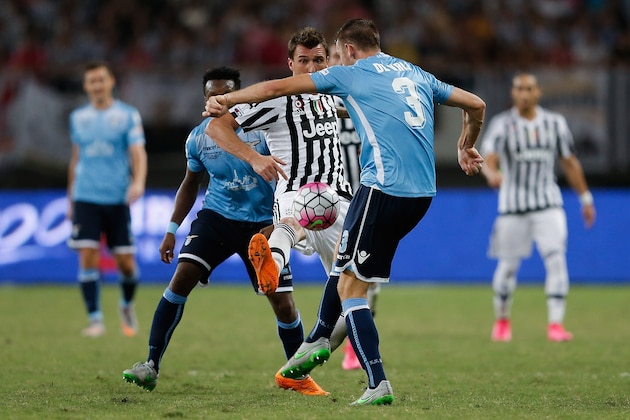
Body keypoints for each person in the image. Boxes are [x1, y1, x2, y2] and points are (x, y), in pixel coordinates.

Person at [204, 19, 486, 406]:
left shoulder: (349, 76)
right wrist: (465, 144)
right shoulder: (414, 71)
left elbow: (273, 86)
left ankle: (377, 383)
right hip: (422, 193)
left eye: (330, 57)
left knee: (351, 288)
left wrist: (229, 99)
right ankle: (318, 334)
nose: (325, 65)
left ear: (348, 52)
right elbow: (476, 104)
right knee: (345, 268)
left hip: (380, 189)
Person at [122, 67, 323, 394]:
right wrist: (172, 229)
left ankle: (297, 375)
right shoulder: (199, 137)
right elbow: (190, 185)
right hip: (217, 217)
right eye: (212, 96)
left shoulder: (265, 127)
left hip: (262, 223)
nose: (219, 101)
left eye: (225, 95)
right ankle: (150, 364)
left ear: (239, 95)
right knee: (181, 277)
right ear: (205, 100)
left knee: (282, 303)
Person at [205, 27, 355, 395]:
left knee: (356, 302)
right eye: (303, 61)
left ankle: (296, 368)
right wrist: (254, 157)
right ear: (290, 63)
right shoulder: (277, 100)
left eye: (318, 59)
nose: (311, 67)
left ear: (327, 60)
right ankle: (270, 257)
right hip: (297, 191)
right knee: (294, 222)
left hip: (338, 199)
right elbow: (216, 127)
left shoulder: (333, 95)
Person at [480, 72, 596, 343]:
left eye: (529, 89)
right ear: (513, 93)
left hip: (548, 205)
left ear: (537, 93)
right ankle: (502, 320)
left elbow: (569, 162)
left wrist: (586, 198)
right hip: (512, 207)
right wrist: (492, 174)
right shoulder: (502, 124)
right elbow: (489, 158)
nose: (524, 94)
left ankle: (556, 324)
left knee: (556, 259)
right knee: (508, 266)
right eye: (519, 89)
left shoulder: (554, 123)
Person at [67, 61, 147, 338]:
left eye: (101, 79)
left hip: (116, 198)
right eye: (92, 81)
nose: (97, 85)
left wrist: (137, 181)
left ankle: (126, 305)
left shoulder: (127, 115)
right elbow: (76, 158)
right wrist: (70, 199)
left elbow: (138, 153)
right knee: (88, 256)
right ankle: (95, 319)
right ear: (86, 86)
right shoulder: (78, 117)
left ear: (111, 81)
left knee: (126, 263)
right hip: (85, 196)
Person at [328, 43, 379, 371]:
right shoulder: (319, 106)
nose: (336, 64)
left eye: (336, 58)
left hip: (364, 200)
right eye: (330, 59)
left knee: (365, 282)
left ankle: (346, 346)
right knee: (342, 278)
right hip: (325, 203)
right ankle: (319, 340)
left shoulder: (363, 101)